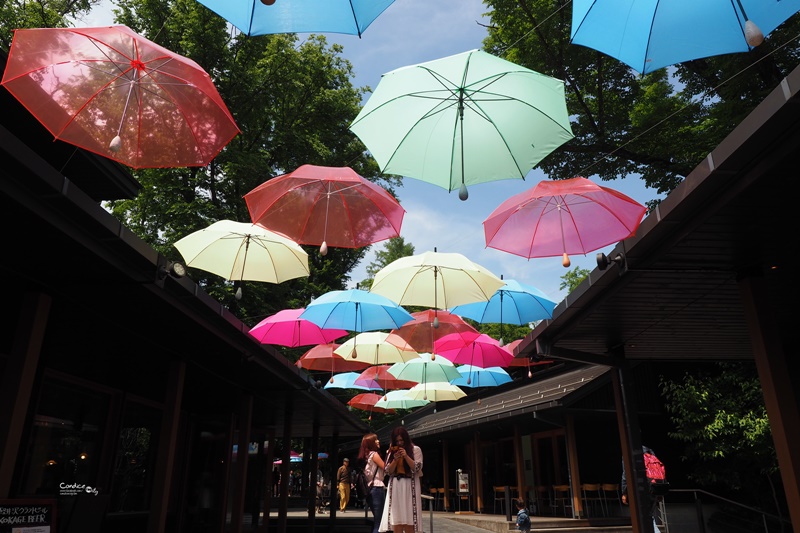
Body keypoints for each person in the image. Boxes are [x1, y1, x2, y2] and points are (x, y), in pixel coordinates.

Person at [378, 426, 424, 533]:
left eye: (401, 440)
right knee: (396, 518)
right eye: (397, 440)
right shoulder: (391, 451)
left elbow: (417, 467)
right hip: (396, 485)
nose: (399, 443)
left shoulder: (415, 449)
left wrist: (406, 456)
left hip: (410, 485)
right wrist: (395, 459)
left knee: (410, 518)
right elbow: (388, 471)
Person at [621, 445, 660, 532]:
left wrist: (624, 492)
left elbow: (625, 474)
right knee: (649, 515)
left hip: (639, 489)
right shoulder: (650, 451)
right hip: (654, 486)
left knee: (642, 516)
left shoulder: (628, 453)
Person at [357, 433, 386, 533]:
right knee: (379, 522)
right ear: (370, 443)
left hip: (369, 489)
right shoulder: (374, 455)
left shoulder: (366, 456)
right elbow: (386, 468)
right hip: (377, 488)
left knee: (377, 521)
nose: (378, 441)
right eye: (375, 440)